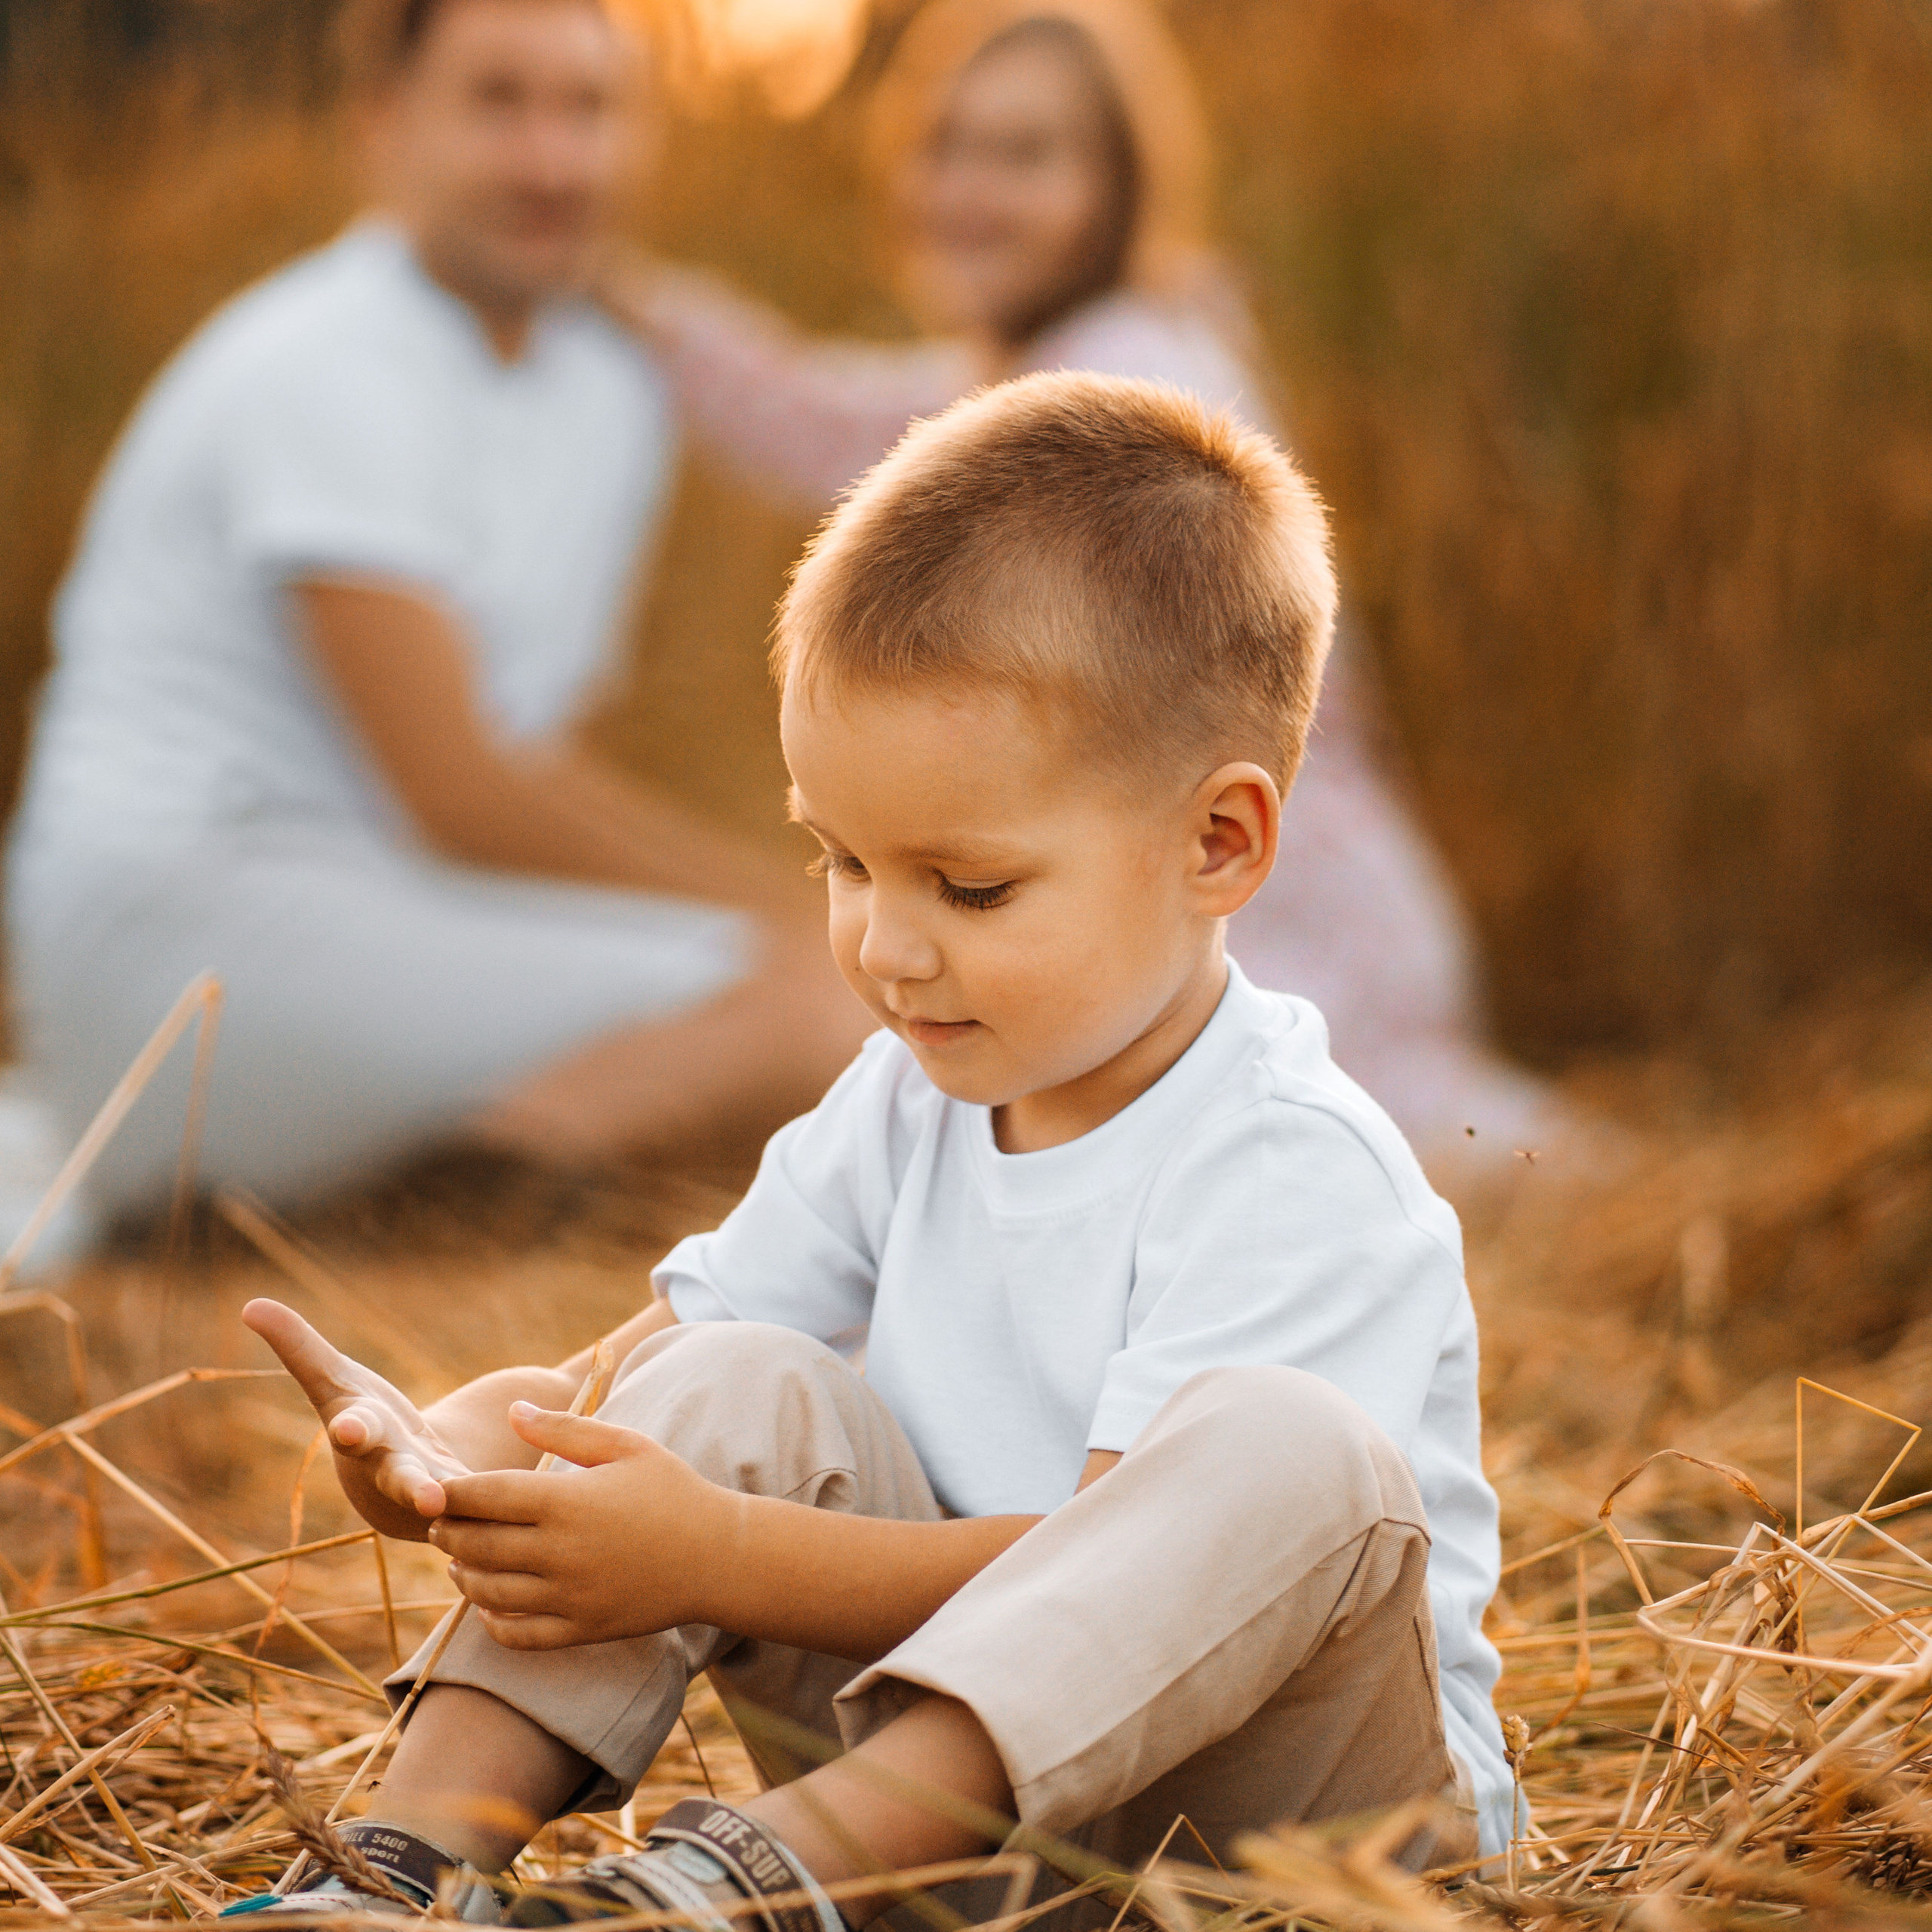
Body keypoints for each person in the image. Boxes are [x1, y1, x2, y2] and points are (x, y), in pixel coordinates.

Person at [228, 374, 1512, 1930]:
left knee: (1286, 1445)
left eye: (966, 887)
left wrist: (723, 1553)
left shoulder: (1292, 1168)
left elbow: (1120, 1582)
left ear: (1216, 843)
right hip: (975, 1859)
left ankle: (742, 1884)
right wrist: (463, 1453)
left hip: (1279, 1855)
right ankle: (395, 1867)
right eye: (838, 859)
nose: (882, 946)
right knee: (734, 1373)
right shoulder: (901, 1100)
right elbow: (643, 1382)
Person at [611, 0, 1553, 1171]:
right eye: (946, 146)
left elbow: (876, 441)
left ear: (1116, 185)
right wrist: (642, 311)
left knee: (1417, 1163)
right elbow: (827, 412)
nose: (969, 188)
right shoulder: (1057, 358)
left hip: (1268, 912)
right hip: (1231, 896)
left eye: (1024, 154)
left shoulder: (1125, 380)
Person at [4, 0, 872, 1220]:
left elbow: (534, 753)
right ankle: (383, 1228)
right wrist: (816, 910)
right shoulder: (325, 357)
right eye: (498, 103)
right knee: (828, 1008)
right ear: (384, 123)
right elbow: (459, 790)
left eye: (590, 108)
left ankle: (444, 1192)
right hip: (183, 930)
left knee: (837, 1011)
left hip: (388, 913)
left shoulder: (606, 387)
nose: (551, 160)